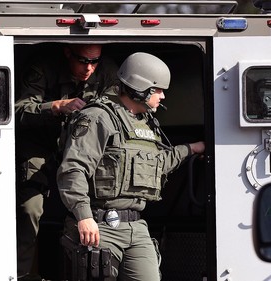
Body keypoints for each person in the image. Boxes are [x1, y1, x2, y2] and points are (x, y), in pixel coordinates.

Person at [57, 52, 205, 281]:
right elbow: (73, 169)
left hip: (137, 227)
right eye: (158, 90)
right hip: (99, 225)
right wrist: (83, 216)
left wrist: (192, 148)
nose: (163, 96)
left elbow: (159, 163)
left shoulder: (146, 124)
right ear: (141, 88)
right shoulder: (98, 117)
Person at [15, 43, 119, 281]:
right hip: (40, 148)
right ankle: (20, 274)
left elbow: (119, 112)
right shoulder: (44, 67)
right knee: (30, 208)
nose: (89, 68)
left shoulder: (108, 71)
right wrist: (55, 107)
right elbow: (19, 111)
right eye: (83, 61)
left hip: (82, 150)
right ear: (68, 52)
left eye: (95, 62)